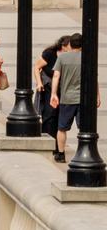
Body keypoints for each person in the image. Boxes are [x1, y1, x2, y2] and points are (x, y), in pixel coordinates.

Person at [52, 32, 87, 162]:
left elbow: (56, 76)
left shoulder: (62, 57)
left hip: (66, 98)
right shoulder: (87, 57)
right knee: (84, 128)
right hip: (83, 99)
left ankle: (61, 154)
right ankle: (83, 152)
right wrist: (97, 95)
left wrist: (53, 94)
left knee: (62, 128)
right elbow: (92, 77)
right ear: (82, 45)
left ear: (70, 44)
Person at [38, 34, 63, 136]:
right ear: (63, 46)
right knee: (49, 113)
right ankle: (46, 136)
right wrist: (39, 83)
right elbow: (36, 67)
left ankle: (56, 141)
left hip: (61, 88)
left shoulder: (66, 56)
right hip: (48, 86)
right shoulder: (49, 53)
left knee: (57, 114)